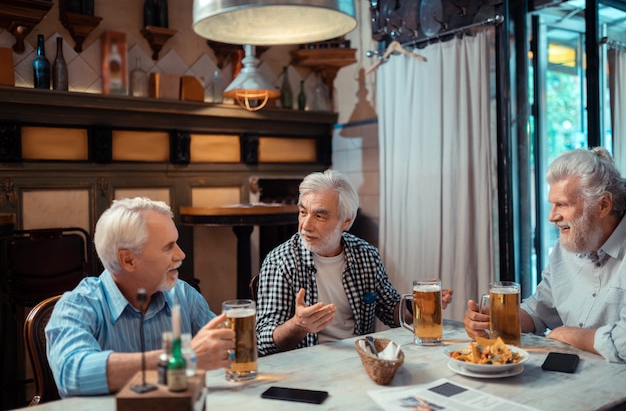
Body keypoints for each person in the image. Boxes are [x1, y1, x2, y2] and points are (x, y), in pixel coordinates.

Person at [46, 197, 235, 397]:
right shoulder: (78, 305)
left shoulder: (182, 294)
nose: (181, 255)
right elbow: (72, 374)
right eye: (168, 247)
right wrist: (179, 358)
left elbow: (228, 350)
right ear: (128, 260)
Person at [256, 169, 453, 356]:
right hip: (305, 367)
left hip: (361, 359)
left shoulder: (366, 256)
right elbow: (264, 341)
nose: (305, 225)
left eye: (319, 216)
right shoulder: (280, 261)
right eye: (303, 212)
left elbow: (390, 309)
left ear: (346, 222)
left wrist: (418, 306)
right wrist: (299, 325)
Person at [464, 147, 626, 363]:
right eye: (552, 204)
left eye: (562, 204)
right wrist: (497, 322)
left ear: (603, 205)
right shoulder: (566, 246)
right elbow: (539, 311)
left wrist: (570, 335)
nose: (551, 216)